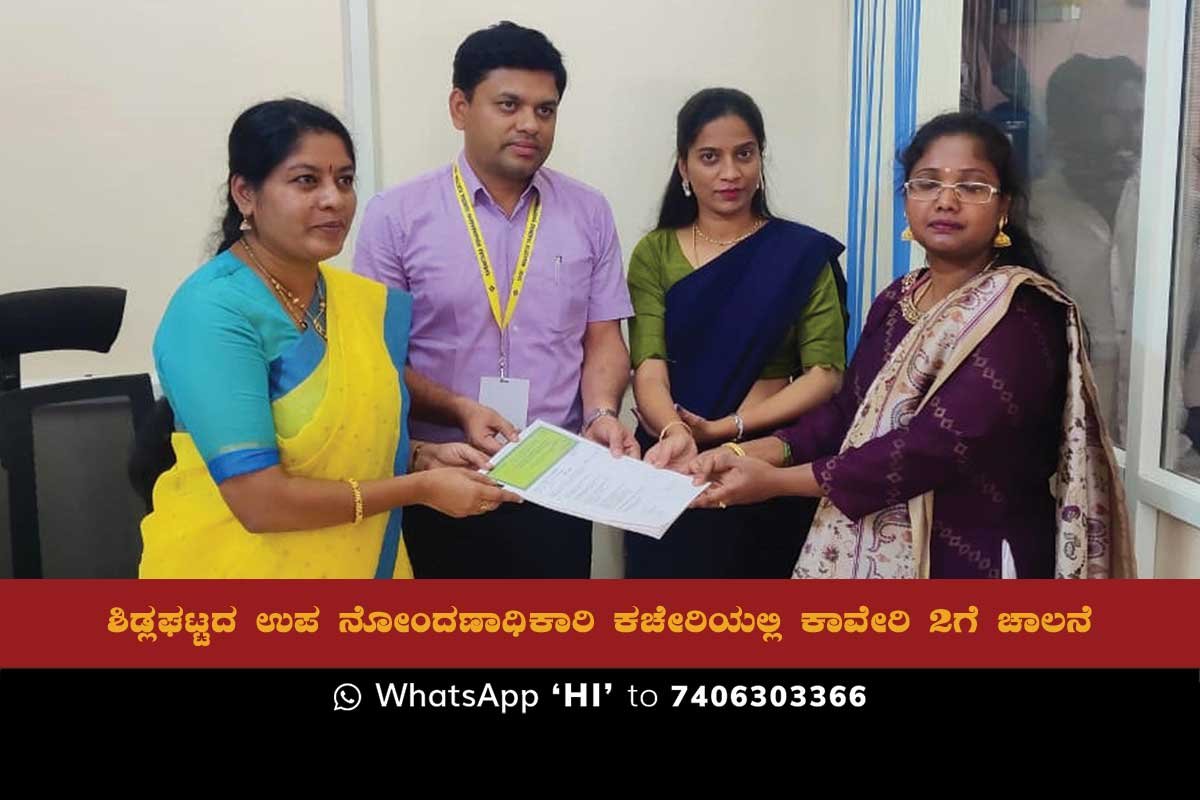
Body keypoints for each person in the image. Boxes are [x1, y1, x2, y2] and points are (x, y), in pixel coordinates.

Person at [689, 112, 1134, 579]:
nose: (946, 200)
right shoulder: (899, 298)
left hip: (980, 554)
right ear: (907, 200)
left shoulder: (1021, 314)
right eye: (927, 183)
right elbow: (847, 412)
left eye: (971, 186)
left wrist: (776, 482)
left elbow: (934, 447)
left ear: (1003, 207)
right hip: (879, 541)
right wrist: (744, 453)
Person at [139, 99, 520, 579]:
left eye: (344, 180)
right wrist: (421, 489)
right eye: (306, 180)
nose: (333, 199)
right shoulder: (213, 313)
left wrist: (420, 454)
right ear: (245, 193)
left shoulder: (351, 299)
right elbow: (259, 503)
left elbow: (351, 419)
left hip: (362, 564)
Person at [354, 22, 636, 577]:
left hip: (555, 481)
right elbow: (377, 358)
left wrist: (603, 411)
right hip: (441, 474)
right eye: (509, 105)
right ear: (460, 108)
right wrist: (459, 409)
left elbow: (604, 337)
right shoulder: (396, 216)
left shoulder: (589, 211)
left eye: (545, 110)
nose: (530, 123)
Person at [625, 88, 847, 577]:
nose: (731, 172)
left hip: (769, 460)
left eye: (744, 154)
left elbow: (826, 375)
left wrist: (727, 430)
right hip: (672, 464)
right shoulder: (654, 253)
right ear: (684, 168)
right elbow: (648, 367)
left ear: (760, 159)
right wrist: (677, 431)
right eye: (710, 157)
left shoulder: (800, 254)